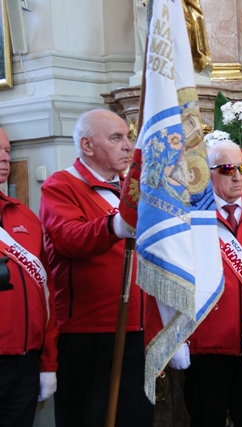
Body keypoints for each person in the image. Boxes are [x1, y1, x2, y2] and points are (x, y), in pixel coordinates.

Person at [147, 139, 242, 426]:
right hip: (206, 350)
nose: (237, 176)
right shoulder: (190, 219)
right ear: (208, 173)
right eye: (227, 169)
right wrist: (175, 340)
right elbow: (170, 282)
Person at [39, 109, 153, 426]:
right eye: (116, 138)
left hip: (136, 327)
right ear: (87, 145)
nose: (128, 146)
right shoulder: (62, 185)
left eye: (128, 137)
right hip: (88, 332)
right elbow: (68, 239)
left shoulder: (132, 189)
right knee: (88, 416)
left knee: (135, 418)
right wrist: (114, 225)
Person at [0, 128, 58, 426]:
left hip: (26, 361)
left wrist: (48, 362)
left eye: (7, 150)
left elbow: (47, 294)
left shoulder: (24, 215)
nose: (4, 158)